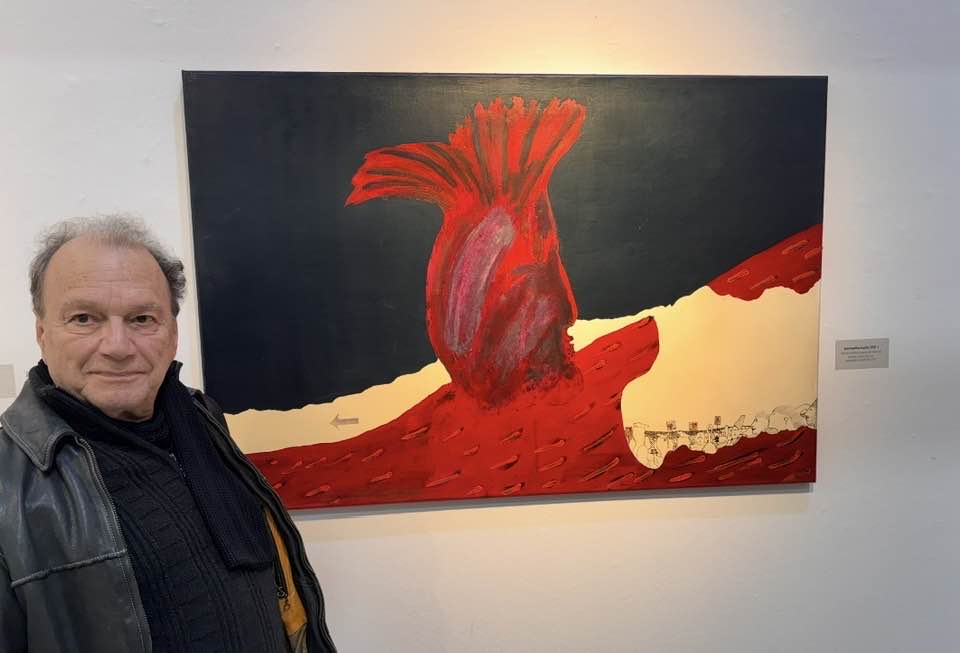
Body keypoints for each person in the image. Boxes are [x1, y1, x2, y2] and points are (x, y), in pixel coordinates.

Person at [0, 215, 337, 652]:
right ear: (42, 333)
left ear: (173, 334)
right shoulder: (9, 482)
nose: (117, 346)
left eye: (142, 318)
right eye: (84, 318)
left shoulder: (200, 419)